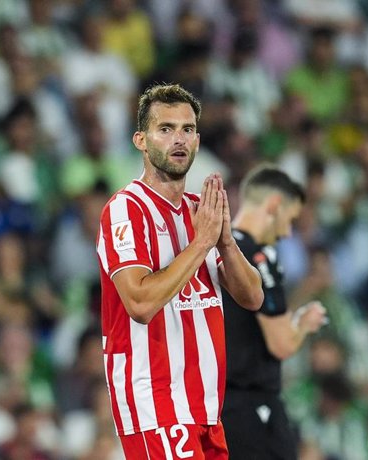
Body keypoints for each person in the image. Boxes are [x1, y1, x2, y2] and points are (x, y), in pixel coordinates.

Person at [96, 83, 264, 459]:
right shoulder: (125, 209)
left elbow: (252, 296)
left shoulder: (200, 212)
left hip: (205, 407)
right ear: (141, 139)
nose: (178, 139)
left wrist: (224, 242)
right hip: (154, 401)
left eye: (187, 129)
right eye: (165, 129)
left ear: (198, 140)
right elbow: (140, 302)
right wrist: (202, 243)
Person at [221, 165, 327, 460]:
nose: (287, 232)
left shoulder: (219, 250)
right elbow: (281, 343)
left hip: (219, 404)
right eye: (290, 219)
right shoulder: (258, 258)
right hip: (251, 404)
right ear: (274, 205)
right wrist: (304, 324)